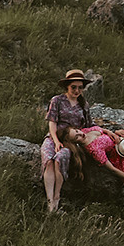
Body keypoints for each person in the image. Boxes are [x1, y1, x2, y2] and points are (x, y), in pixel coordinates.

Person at [42, 68, 92, 213]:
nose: (77, 90)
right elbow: (52, 122)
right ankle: (50, 202)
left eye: (80, 88)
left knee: (61, 157)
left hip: (71, 141)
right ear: (67, 87)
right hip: (54, 137)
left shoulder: (83, 105)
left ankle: (57, 197)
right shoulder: (57, 100)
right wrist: (56, 141)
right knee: (49, 160)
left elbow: (89, 125)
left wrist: (107, 132)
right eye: (73, 87)